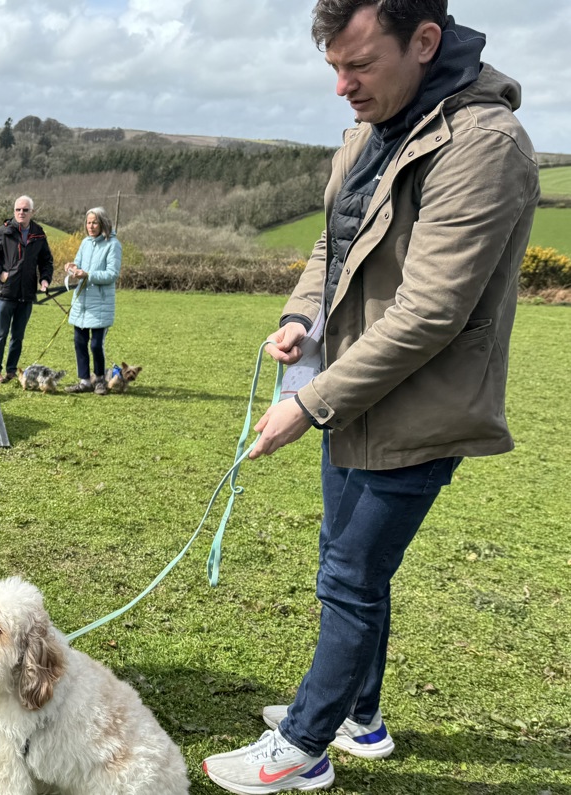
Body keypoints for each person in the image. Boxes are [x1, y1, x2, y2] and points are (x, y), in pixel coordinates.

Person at [201, 2, 539, 793]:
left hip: (420, 408)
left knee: (350, 575)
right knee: (347, 564)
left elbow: (430, 312)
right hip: (355, 393)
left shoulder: (483, 146)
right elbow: (336, 240)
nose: (343, 87)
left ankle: (306, 745)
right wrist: (299, 318)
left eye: (360, 66)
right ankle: (360, 715)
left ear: (425, 42)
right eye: (334, 69)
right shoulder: (370, 132)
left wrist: (309, 401)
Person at [0, 195, 54, 383]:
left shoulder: (39, 234)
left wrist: (45, 280)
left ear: (32, 212)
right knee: (1, 334)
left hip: (26, 295)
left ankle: (12, 370)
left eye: (25, 210)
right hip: (6, 293)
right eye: (18, 209)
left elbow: (46, 261)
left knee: (18, 337)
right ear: (14, 212)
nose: (21, 213)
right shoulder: (4, 232)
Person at [62, 206, 123, 395]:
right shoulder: (85, 243)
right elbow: (78, 263)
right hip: (81, 302)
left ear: (103, 223)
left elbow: (112, 274)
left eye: (94, 222)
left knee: (96, 344)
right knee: (79, 342)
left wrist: (88, 274)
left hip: (101, 303)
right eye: (88, 222)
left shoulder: (113, 245)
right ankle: (84, 381)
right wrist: (72, 268)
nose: (91, 226)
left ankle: (99, 380)